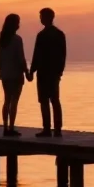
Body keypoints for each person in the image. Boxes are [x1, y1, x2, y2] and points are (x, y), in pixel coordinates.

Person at [29, 7, 66, 137]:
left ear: (47, 18)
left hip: (45, 72)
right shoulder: (59, 34)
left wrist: (31, 71)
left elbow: (37, 55)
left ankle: (47, 128)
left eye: (42, 16)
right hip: (52, 72)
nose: (40, 19)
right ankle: (57, 129)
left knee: (46, 100)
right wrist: (60, 71)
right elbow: (63, 55)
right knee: (54, 100)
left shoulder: (43, 35)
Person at [0, 13, 29, 137]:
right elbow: (21, 58)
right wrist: (26, 72)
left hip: (5, 74)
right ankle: (11, 127)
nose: (19, 24)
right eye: (18, 22)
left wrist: (4, 67)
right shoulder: (17, 39)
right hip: (15, 74)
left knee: (7, 100)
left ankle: (5, 127)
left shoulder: (2, 39)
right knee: (14, 101)